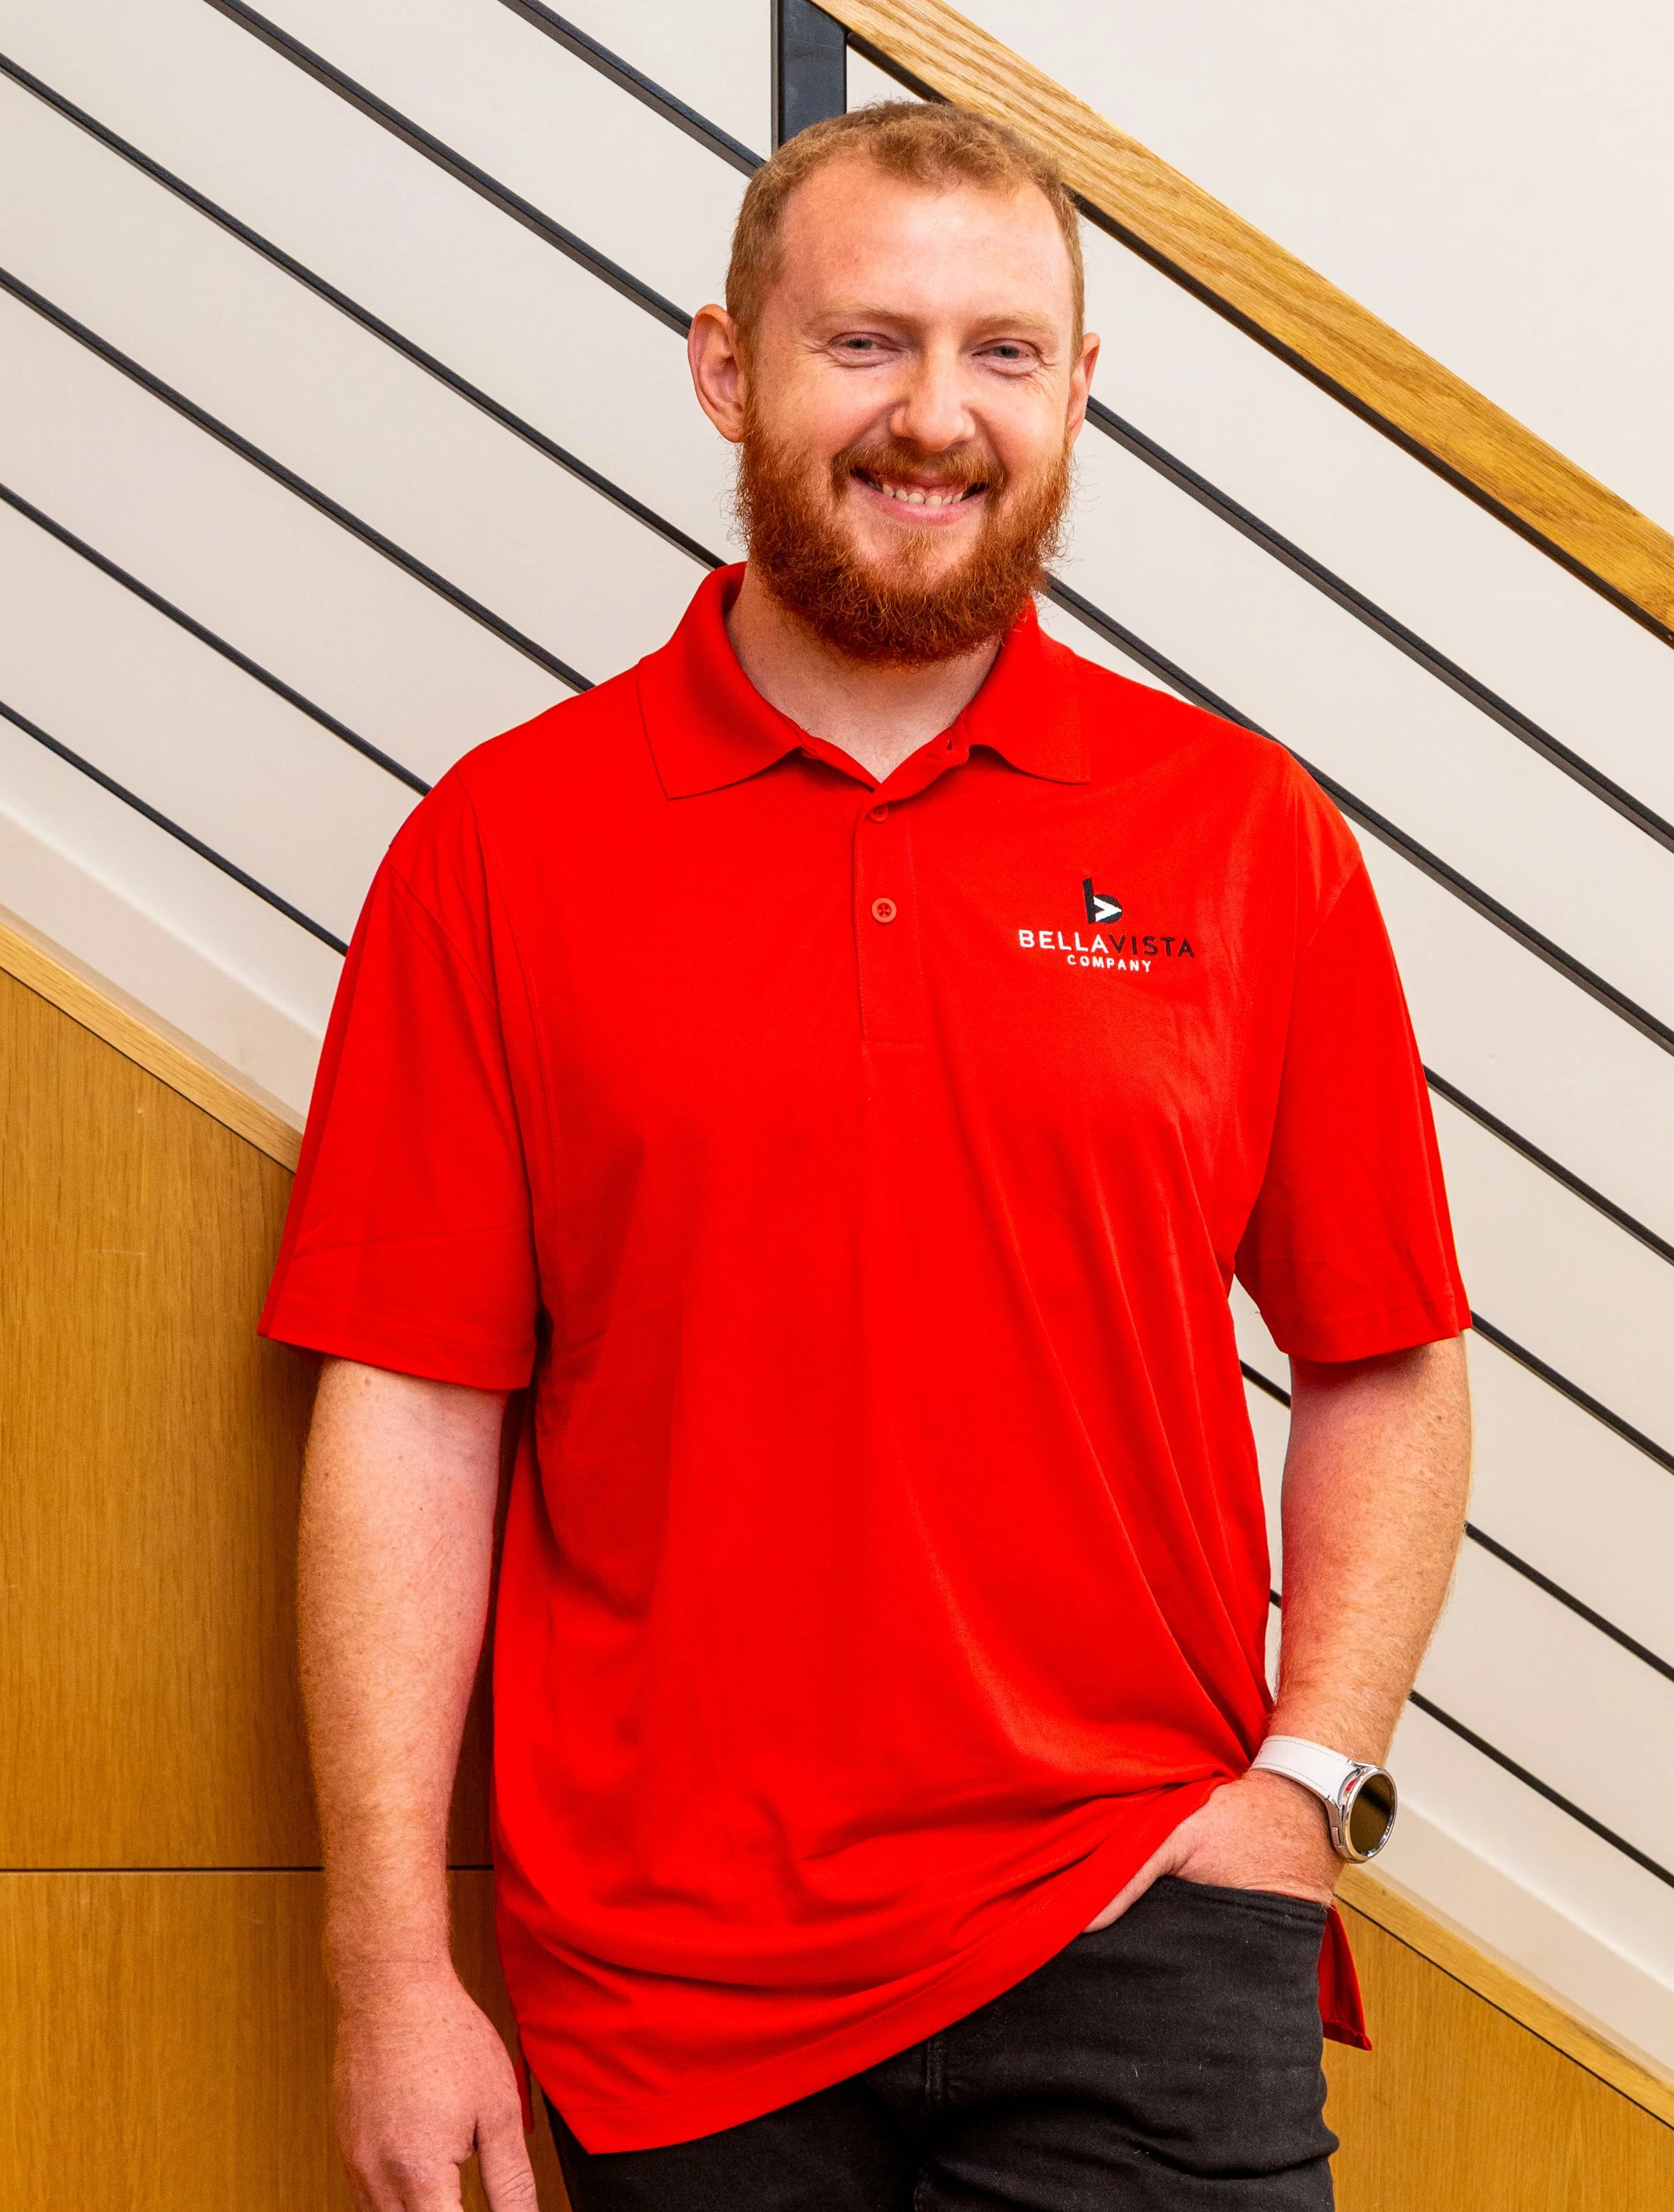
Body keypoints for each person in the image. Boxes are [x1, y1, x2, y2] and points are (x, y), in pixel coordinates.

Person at [263, 101, 1472, 2212]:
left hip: (1141, 1916)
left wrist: (1305, 1784)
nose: (936, 416)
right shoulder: (503, 847)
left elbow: (1387, 1349)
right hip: (671, 1999)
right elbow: (411, 1406)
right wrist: (387, 1964)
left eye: (1003, 352)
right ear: (726, 366)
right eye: (864, 344)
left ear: (1078, 391)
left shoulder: (1240, 831)